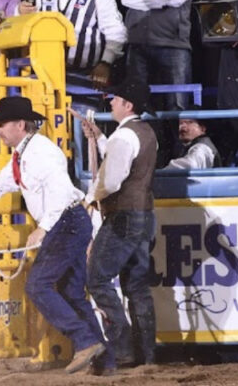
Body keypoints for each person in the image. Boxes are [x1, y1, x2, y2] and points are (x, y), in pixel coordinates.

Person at [0, 96, 106, 375]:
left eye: (2, 124)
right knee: (70, 291)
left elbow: (59, 191)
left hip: (65, 223)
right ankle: (103, 359)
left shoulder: (41, 152)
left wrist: (43, 228)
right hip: (70, 222)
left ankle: (86, 341)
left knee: (38, 285)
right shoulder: (24, 154)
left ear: (20, 124)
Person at [81, 78, 159, 374]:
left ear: (127, 104)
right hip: (144, 215)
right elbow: (125, 161)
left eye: (115, 99)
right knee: (137, 286)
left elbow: (112, 180)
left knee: (98, 279)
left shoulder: (122, 137)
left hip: (123, 217)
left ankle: (124, 349)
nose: (110, 102)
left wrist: (91, 197)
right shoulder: (146, 133)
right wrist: (100, 138)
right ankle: (147, 355)